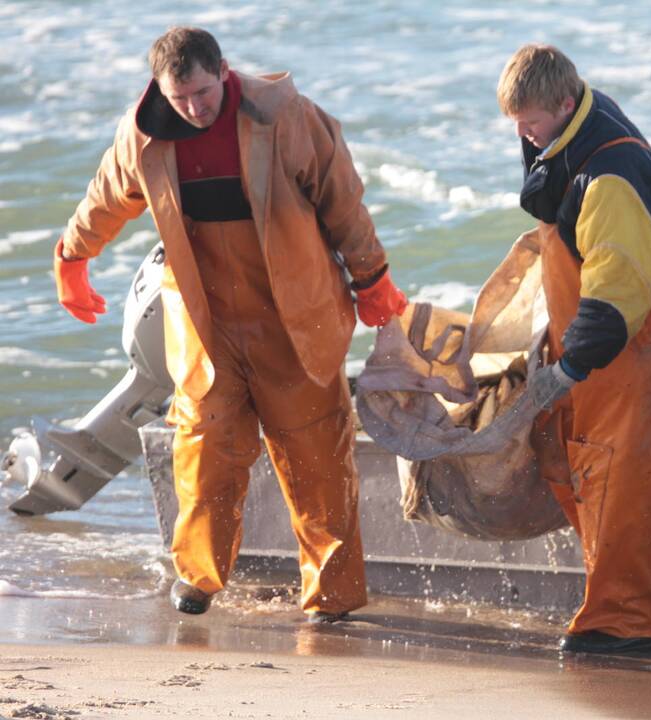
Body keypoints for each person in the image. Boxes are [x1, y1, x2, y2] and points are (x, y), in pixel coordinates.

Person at [53, 27, 406, 622]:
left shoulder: (287, 117)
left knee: (316, 454)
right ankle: (198, 579)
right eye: (180, 98)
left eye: (203, 94)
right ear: (161, 91)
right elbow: (108, 195)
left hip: (293, 314)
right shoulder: (143, 134)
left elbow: (343, 200)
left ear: (224, 73)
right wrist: (72, 255)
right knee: (204, 449)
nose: (193, 109)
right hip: (204, 319)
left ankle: (332, 597)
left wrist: (373, 280)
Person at [500, 44, 651, 656]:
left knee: (618, 479)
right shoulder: (570, 130)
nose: (523, 134)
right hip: (599, 341)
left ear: (566, 105)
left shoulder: (609, 175)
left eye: (531, 122)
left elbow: (619, 289)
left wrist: (571, 366)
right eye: (516, 122)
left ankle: (621, 624)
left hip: (637, 344)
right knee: (565, 454)